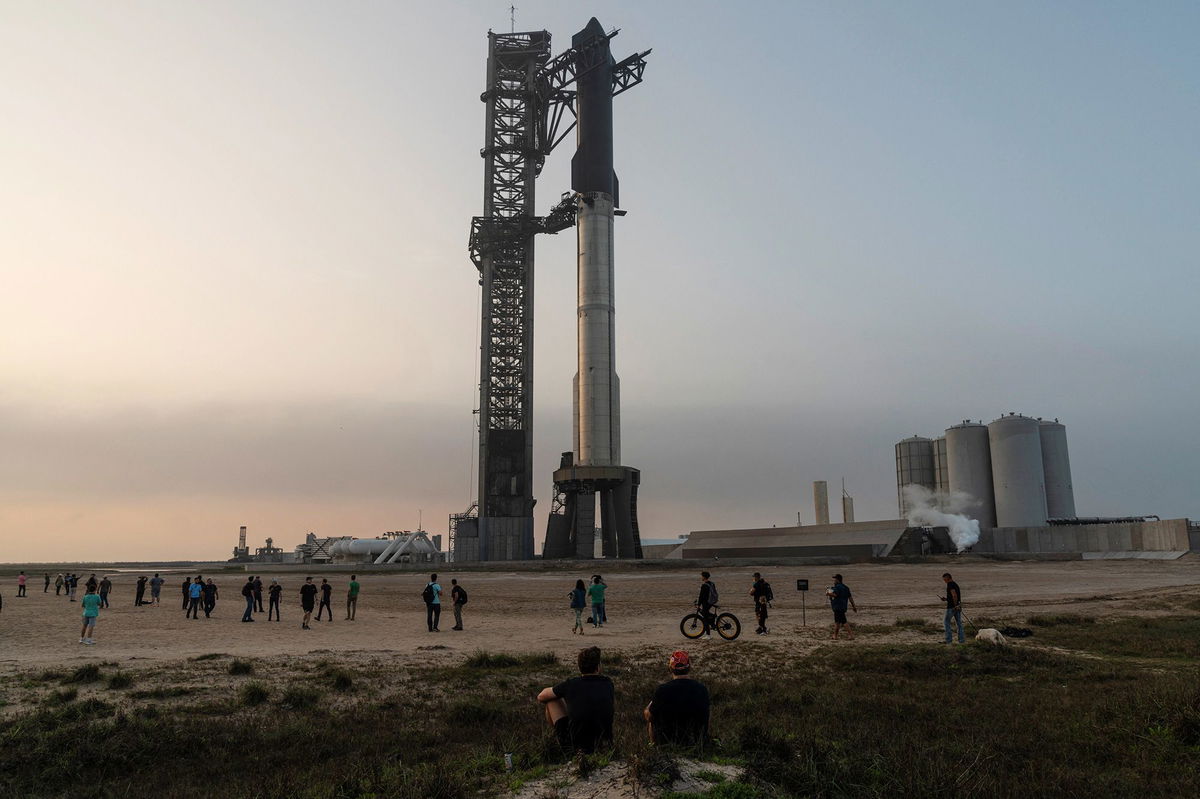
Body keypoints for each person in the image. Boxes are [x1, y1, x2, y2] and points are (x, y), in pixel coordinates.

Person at [537, 646, 614, 755]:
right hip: (605, 744)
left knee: (552, 700)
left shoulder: (572, 684)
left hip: (576, 748)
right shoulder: (608, 683)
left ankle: (560, 738)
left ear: (579, 667)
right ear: (598, 667)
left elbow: (541, 696)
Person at [644, 650, 710, 747]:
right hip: (694, 742)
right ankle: (702, 743)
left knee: (652, 715)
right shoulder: (702, 689)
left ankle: (653, 745)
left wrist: (647, 708)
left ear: (670, 668)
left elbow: (650, 716)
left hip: (666, 742)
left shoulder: (662, 690)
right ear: (689, 667)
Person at [828, 573, 857, 639]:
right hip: (843, 606)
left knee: (843, 621)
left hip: (837, 607)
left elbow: (835, 595)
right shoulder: (846, 587)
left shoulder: (837, 587)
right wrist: (854, 606)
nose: (834, 581)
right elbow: (850, 598)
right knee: (837, 622)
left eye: (835, 579)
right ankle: (835, 636)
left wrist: (828, 593)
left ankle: (851, 635)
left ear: (838, 580)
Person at [941, 572, 964, 644]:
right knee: (959, 624)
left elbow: (954, 595)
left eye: (945, 579)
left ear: (948, 578)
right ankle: (961, 640)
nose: (944, 581)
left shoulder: (950, 584)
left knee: (946, 622)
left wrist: (955, 605)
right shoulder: (955, 584)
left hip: (952, 607)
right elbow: (953, 596)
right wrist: (946, 599)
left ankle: (948, 640)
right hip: (958, 606)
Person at [695, 572, 717, 639]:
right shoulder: (712, 583)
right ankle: (713, 622)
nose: (701, 577)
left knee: (705, 619)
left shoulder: (704, 585)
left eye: (702, 576)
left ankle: (708, 635)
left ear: (704, 577)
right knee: (706, 614)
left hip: (706, 603)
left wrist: (699, 604)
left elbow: (701, 596)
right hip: (712, 601)